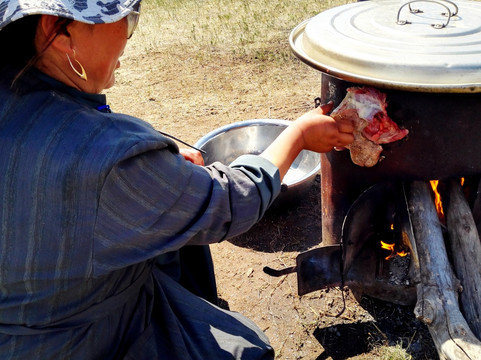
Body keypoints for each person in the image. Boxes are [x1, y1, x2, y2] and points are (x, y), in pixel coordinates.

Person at [0, 1, 354, 359]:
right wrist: (298, 136)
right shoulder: (102, 157)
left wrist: (154, 172)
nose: (128, 33)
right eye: (126, 18)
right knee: (244, 349)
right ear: (56, 30)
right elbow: (227, 202)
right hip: (76, 341)